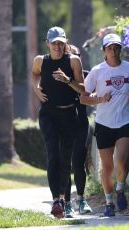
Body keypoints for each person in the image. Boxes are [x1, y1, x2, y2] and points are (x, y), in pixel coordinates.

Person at [31, 26, 84, 218]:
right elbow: (35, 73)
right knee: (53, 154)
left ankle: (62, 197)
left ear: (65, 43)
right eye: (54, 43)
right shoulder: (40, 60)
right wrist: (36, 88)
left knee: (65, 159)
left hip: (69, 114)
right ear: (47, 43)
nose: (58, 46)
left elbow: (82, 89)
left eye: (61, 42)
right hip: (48, 114)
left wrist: (67, 79)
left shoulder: (73, 61)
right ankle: (56, 201)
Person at [80, 33, 129, 217]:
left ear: (120, 49)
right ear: (104, 50)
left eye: (116, 47)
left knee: (123, 163)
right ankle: (109, 203)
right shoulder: (97, 71)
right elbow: (83, 98)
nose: (113, 50)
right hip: (104, 124)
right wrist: (101, 99)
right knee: (107, 167)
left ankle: (120, 189)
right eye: (109, 47)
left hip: (125, 121)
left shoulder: (128, 69)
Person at [64, 44, 92, 217]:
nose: (75, 58)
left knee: (79, 163)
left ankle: (81, 199)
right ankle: (67, 203)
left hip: (81, 124)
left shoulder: (88, 76)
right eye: (71, 56)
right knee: (65, 164)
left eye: (77, 55)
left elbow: (90, 94)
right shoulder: (59, 78)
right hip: (63, 125)